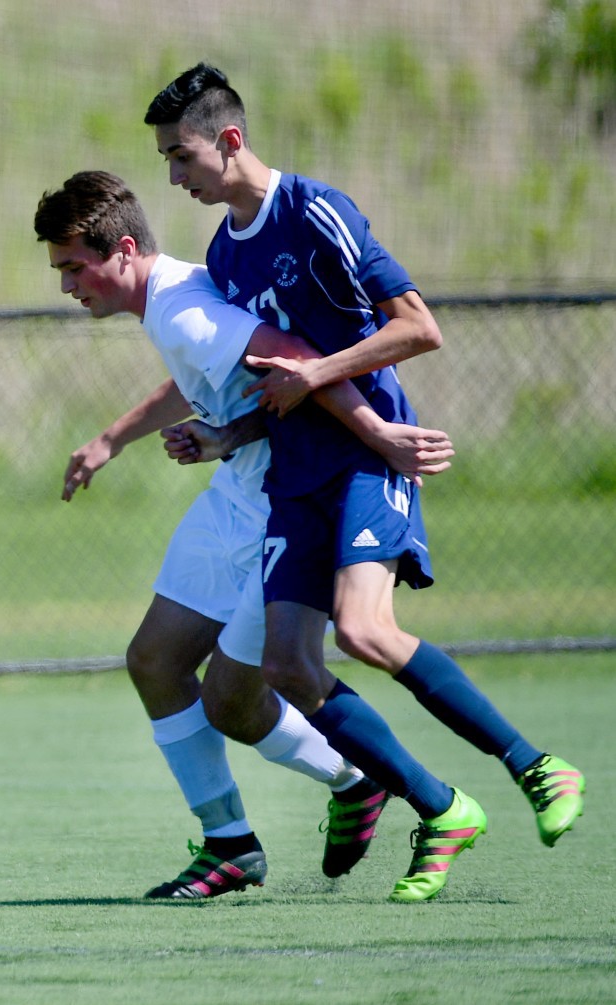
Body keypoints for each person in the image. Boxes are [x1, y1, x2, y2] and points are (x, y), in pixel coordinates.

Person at [145, 63, 585, 902]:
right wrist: (227, 433)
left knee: (365, 630)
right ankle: (441, 809)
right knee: (286, 667)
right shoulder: (221, 254)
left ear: (229, 140)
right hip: (293, 476)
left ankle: (537, 767)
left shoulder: (317, 213)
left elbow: (419, 327)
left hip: (367, 460)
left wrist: (320, 378)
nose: (173, 175)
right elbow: (277, 385)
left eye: (181, 155)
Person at [34, 171, 456, 899]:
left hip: (283, 500)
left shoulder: (183, 310)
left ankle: (367, 780)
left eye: (75, 266)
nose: (68, 284)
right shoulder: (171, 306)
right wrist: (112, 437)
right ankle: (229, 843)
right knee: (155, 660)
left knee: (233, 698)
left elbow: (292, 357)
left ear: (124, 249)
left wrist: (382, 435)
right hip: (236, 493)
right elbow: (199, 375)